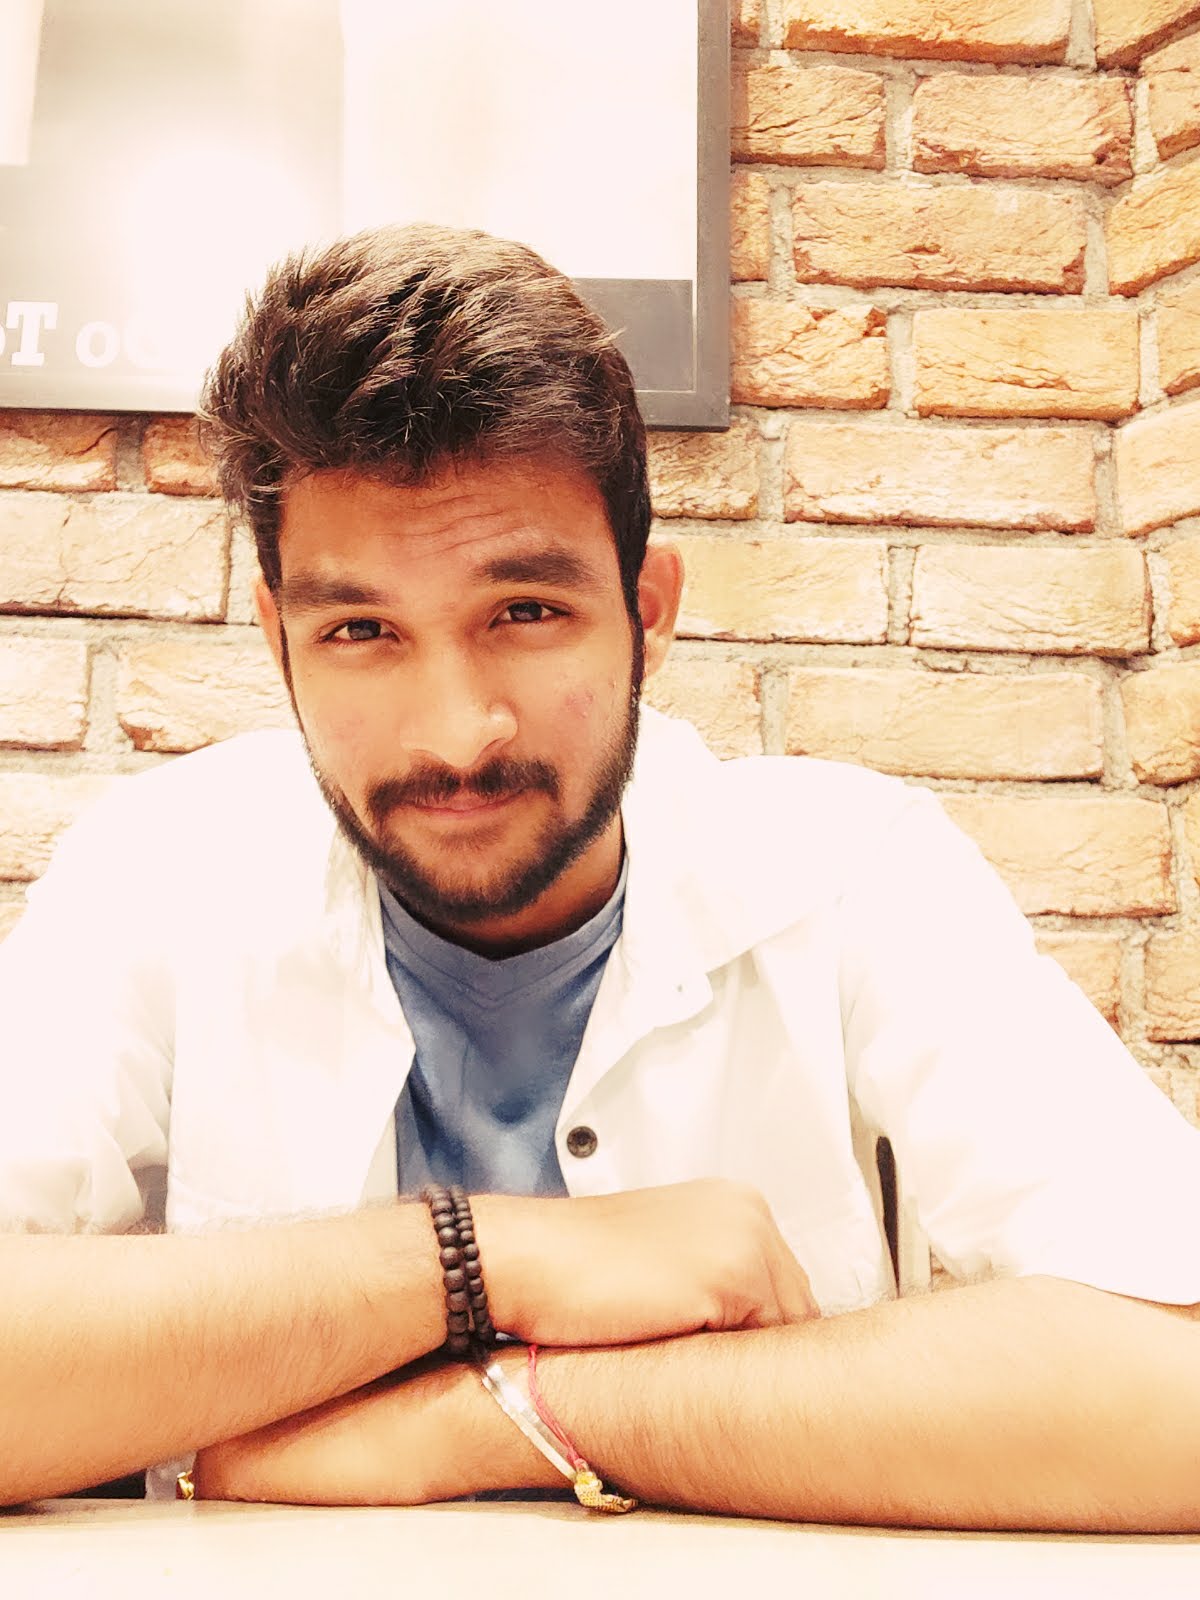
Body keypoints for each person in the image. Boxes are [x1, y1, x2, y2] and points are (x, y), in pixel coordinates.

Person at [3, 223, 1200, 1529]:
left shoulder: (850, 873)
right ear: (278, 637)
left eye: (525, 613)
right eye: (360, 630)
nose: (457, 734)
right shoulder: (160, 875)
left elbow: (1176, 1375)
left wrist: (502, 1413)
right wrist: (481, 1261)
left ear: (649, 609)